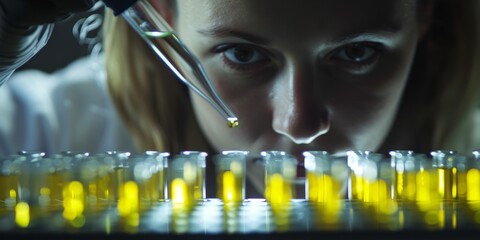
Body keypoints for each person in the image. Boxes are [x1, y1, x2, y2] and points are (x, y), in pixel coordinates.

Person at [0, 0, 479, 198]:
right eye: (243, 54)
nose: (301, 122)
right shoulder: (42, 132)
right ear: (163, 12)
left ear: (425, 15)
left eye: (358, 52)